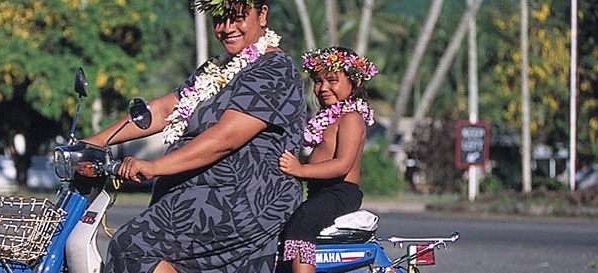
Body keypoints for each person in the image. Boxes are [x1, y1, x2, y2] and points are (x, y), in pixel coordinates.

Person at [80, 0, 306, 272]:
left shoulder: (274, 69)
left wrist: (154, 167)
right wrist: (94, 141)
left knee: (132, 245)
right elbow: (166, 108)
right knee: (134, 245)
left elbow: (226, 139)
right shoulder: (218, 68)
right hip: (199, 196)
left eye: (237, 18)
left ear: (262, 15)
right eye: (219, 21)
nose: (227, 28)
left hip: (246, 198)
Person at [278, 47, 377, 273]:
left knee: (300, 227)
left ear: (356, 81)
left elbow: (342, 164)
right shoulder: (330, 118)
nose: (323, 88)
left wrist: (300, 170)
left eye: (332, 80)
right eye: (317, 81)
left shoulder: (351, 118)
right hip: (322, 193)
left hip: (340, 192)